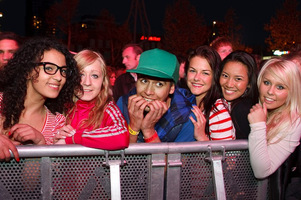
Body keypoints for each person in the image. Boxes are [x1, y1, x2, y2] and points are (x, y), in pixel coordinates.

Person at [0, 36, 81, 155]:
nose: (59, 77)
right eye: (49, 68)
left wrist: (40, 144)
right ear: (28, 71)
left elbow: (43, 174)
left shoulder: (57, 124)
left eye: (63, 71)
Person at [117, 48, 197, 143]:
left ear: (171, 88)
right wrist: (133, 127)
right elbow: (118, 156)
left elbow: (173, 158)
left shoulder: (186, 118)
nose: (148, 91)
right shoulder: (124, 104)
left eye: (159, 84)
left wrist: (149, 131)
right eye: (144, 81)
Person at [54, 50, 129, 150]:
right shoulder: (63, 108)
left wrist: (73, 138)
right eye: (80, 75)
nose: (87, 82)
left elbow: (122, 136)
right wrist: (56, 142)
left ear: (103, 81)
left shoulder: (107, 109)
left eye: (94, 76)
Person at [248, 58, 301, 181]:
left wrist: (258, 125)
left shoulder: (294, 122)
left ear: (292, 91)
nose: (270, 92)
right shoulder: (261, 111)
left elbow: (261, 171)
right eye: (266, 83)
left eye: (280, 87)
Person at [186, 45, 235, 141]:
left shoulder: (218, 112)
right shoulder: (188, 101)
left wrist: (202, 138)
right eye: (192, 71)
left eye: (205, 73)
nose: (196, 77)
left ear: (215, 76)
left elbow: (227, 155)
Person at [218, 50, 259, 139]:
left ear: (249, 83)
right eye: (225, 76)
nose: (229, 84)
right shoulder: (222, 103)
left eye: (238, 79)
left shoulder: (243, 110)